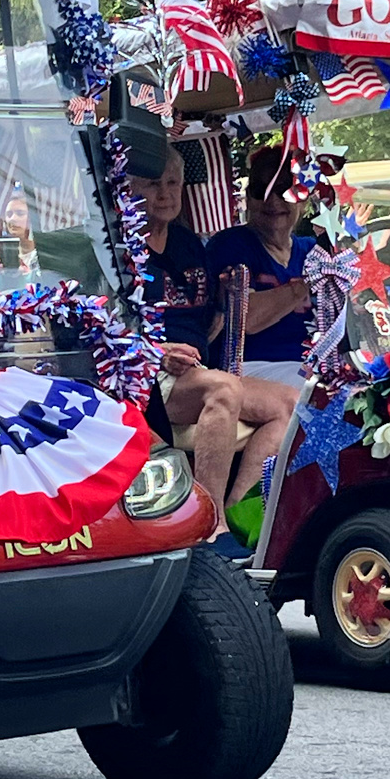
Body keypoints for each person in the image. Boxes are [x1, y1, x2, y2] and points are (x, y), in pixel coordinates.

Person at [129, 149, 294, 536]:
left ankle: (239, 514)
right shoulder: (121, 250)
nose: (165, 194)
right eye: (154, 185)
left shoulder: (188, 245)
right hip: (144, 375)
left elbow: (208, 322)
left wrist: (225, 303)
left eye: (173, 184)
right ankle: (207, 520)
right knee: (223, 389)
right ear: (131, 188)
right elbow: (102, 328)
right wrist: (157, 351)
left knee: (288, 403)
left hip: (194, 371)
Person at [204, 144, 316, 390]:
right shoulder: (230, 245)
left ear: (303, 199)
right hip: (247, 370)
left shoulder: (313, 250)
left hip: (309, 367)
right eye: (260, 189)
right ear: (248, 198)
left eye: (283, 190)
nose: (272, 200)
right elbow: (247, 317)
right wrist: (304, 284)